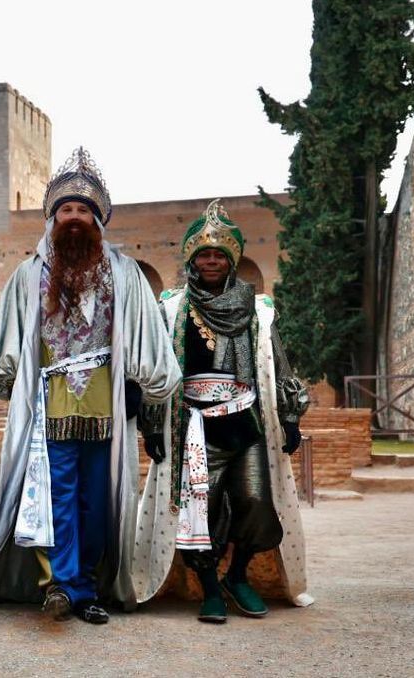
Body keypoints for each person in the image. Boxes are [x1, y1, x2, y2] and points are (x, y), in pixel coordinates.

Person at [0, 148, 181, 622]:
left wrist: (149, 385)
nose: (74, 218)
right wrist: (7, 380)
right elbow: (7, 340)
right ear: (53, 218)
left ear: (98, 219)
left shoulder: (124, 274)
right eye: (66, 210)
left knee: (97, 500)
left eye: (83, 210)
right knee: (57, 494)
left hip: (106, 405)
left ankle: (89, 583)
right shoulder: (29, 275)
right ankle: (63, 585)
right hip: (50, 404)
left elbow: (146, 336)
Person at [132, 200, 313, 622]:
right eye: (204, 254)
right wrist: (152, 425)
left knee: (255, 501)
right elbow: (157, 372)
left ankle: (239, 576)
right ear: (192, 259)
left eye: (219, 254)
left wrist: (289, 417)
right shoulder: (172, 309)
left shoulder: (257, 309)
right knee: (202, 508)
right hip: (194, 427)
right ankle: (210, 587)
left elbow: (278, 364)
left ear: (231, 261)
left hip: (245, 423)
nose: (211, 261)